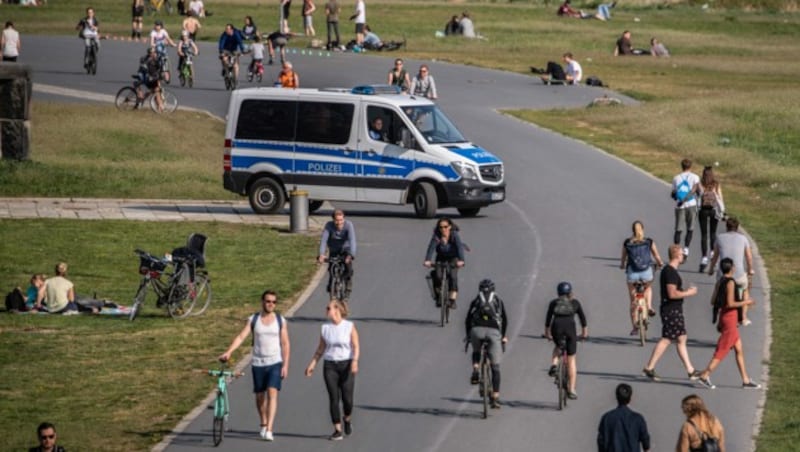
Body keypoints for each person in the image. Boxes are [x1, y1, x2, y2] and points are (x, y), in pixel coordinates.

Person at [219, 290, 290, 442]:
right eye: (268, 301)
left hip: (275, 362)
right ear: (262, 302)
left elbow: (285, 343)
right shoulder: (254, 319)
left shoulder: (280, 320)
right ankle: (263, 423)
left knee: (272, 393)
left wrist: (285, 364)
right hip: (258, 363)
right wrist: (229, 352)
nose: (271, 304)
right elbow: (241, 337)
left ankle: (270, 429)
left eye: (274, 302)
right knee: (259, 396)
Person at [695, 258, 760, 390]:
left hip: (725, 316)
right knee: (722, 350)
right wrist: (746, 302)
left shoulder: (720, 281)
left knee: (739, 349)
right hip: (730, 318)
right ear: (732, 268)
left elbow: (713, 301)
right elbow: (730, 303)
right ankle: (705, 375)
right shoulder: (730, 282)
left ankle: (745, 379)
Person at [642, 244, 702, 382]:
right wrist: (689, 292)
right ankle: (649, 367)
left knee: (681, 338)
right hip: (671, 309)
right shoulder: (670, 272)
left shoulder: (670, 271)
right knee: (667, 338)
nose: (683, 256)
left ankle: (690, 370)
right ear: (676, 255)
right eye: (682, 253)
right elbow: (672, 293)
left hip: (674, 309)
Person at [304, 299, 360, 441]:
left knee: (347, 399)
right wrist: (312, 364)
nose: (326, 310)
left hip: (346, 364)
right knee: (333, 398)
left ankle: (347, 418)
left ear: (337, 310)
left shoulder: (349, 326)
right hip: (330, 366)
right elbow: (321, 348)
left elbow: (356, 346)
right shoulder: (325, 328)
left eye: (328, 308)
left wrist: (354, 361)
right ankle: (337, 430)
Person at [465, 279, 508, 408]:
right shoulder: (498, 301)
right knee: (495, 367)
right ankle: (495, 397)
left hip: (476, 331)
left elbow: (467, 319)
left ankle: (476, 369)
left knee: (476, 351)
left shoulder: (476, 300)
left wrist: (468, 335)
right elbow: (505, 320)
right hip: (493, 332)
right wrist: (503, 336)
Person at [707, 216, 754, 326]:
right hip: (739, 274)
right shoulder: (743, 239)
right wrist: (750, 269)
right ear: (737, 227)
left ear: (726, 227)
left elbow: (715, 256)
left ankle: (717, 308)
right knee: (745, 290)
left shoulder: (720, 238)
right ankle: (743, 317)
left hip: (723, 273)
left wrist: (711, 269)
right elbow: (749, 257)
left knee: (719, 289)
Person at [544, 281, 588, 400]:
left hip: (557, 327)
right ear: (570, 292)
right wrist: (584, 334)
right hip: (570, 329)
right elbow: (583, 319)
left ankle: (554, 365)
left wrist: (547, 333)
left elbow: (548, 319)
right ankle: (572, 389)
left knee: (558, 347)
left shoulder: (553, 303)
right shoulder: (575, 303)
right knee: (571, 359)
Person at [620, 220, 664, 334]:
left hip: (632, 273)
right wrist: (660, 263)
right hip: (646, 272)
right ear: (643, 229)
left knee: (633, 300)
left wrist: (621, 265)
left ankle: (635, 327)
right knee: (648, 288)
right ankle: (649, 306)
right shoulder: (649, 242)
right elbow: (657, 256)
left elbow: (623, 259)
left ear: (632, 231)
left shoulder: (627, 243)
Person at [424, 217, 465, 308]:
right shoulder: (437, 236)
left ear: (450, 227)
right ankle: (439, 296)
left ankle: (452, 300)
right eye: (441, 227)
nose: (443, 229)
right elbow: (431, 248)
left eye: (445, 227)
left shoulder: (454, 235)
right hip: (441, 258)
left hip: (453, 258)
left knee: (453, 276)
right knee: (437, 276)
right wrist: (427, 260)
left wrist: (461, 260)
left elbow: (459, 248)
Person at [597, 383, 651, 452]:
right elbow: (646, 444)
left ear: (616, 397)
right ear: (630, 398)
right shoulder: (638, 419)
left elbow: (601, 442)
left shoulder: (606, 418)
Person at [318, 209, 356, 298]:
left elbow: (352, 240)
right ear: (333, 220)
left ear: (344, 219)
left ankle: (348, 283)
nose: (339, 223)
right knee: (331, 267)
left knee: (348, 267)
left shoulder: (348, 225)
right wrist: (321, 254)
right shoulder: (329, 225)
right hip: (334, 249)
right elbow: (324, 240)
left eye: (341, 220)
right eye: (336, 220)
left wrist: (351, 255)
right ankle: (332, 283)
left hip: (345, 249)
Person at [671, 158, 701, 257]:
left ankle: (676, 249)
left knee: (678, 229)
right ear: (690, 166)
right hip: (691, 204)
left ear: (682, 166)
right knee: (690, 228)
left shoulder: (676, 178)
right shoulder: (695, 177)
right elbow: (698, 192)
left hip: (680, 206)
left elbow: (673, 194)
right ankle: (686, 248)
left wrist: (680, 198)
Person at [698, 165, 724, 272]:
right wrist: (722, 210)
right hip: (713, 210)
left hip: (703, 210)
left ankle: (704, 257)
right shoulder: (716, 184)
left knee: (704, 234)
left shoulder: (700, 183)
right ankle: (713, 252)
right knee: (713, 233)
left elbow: (699, 195)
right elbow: (720, 197)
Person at [136, 47, 165, 112]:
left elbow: (158, 70)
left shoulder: (155, 60)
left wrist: (161, 75)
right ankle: (160, 107)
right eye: (153, 52)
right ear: (150, 54)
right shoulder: (149, 61)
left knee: (154, 90)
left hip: (150, 77)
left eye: (155, 52)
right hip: (145, 77)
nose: (155, 54)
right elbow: (150, 71)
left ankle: (143, 100)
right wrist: (157, 76)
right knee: (156, 90)